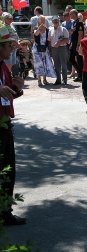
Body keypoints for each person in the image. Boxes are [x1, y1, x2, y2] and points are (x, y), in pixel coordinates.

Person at [0, 22, 26, 225]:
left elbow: (6, 95)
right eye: (8, 45)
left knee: (8, 170)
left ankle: (5, 211)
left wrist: (16, 89)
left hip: (5, 124)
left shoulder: (3, 67)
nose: (11, 49)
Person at [32, 15, 56, 86]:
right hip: (37, 49)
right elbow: (35, 35)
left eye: (43, 20)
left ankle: (45, 80)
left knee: (45, 64)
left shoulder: (47, 29)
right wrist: (39, 28)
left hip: (44, 49)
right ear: (38, 21)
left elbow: (48, 39)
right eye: (41, 20)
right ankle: (39, 80)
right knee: (38, 64)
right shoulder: (36, 28)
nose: (42, 21)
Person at [48, 16, 69, 85]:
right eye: (54, 21)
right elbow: (49, 40)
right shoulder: (50, 30)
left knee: (63, 64)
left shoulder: (63, 29)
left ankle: (64, 80)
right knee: (56, 65)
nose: (55, 22)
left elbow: (67, 40)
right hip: (54, 49)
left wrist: (59, 42)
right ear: (52, 22)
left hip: (62, 48)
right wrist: (50, 48)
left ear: (59, 21)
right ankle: (58, 80)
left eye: (57, 21)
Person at [69, 9, 85, 82]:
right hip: (74, 42)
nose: (70, 15)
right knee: (71, 58)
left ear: (75, 14)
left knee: (79, 60)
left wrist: (78, 45)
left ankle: (80, 76)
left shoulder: (79, 23)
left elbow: (80, 34)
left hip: (78, 43)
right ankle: (80, 72)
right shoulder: (74, 22)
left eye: (71, 14)